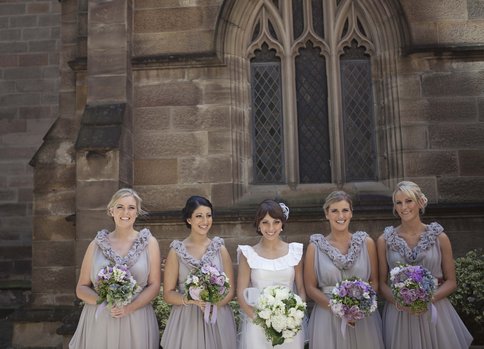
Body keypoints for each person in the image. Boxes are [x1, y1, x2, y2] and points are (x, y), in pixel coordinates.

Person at [377, 181, 473, 349]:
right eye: (398, 203)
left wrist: (427, 300)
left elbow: (451, 281)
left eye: (408, 201)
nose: (403, 207)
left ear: (420, 202)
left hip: (434, 310)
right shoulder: (384, 240)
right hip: (399, 314)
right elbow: (382, 283)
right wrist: (401, 303)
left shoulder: (439, 237)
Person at [69, 188, 161, 349]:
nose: (125, 212)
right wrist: (104, 303)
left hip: (136, 318)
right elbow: (81, 288)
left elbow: (154, 285)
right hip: (101, 319)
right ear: (111, 211)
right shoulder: (96, 244)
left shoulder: (149, 243)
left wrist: (128, 308)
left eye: (131, 207)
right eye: (120, 207)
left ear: (137, 212)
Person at [304, 191, 384, 349]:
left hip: (362, 318)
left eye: (345, 210)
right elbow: (310, 287)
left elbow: (374, 281)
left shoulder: (366, 243)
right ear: (327, 214)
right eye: (334, 211)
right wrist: (338, 309)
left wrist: (360, 307)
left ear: (351, 213)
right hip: (327, 317)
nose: (340, 216)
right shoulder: (315, 247)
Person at [161, 195, 237, 349]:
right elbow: (168, 294)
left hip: (217, 317)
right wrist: (191, 300)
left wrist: (213, 306)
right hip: (187, 319)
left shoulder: (220, 248)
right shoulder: (176, 251)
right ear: (189, 220)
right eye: (199, 216)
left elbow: (231, 290)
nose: (205, 221)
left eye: (208, 216)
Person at [237, 199, 306, 349]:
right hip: (257, 325)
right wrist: (261, 321)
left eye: (276, 222)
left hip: (289, 327)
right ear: (258, 224)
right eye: (265, 222)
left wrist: (294, 317)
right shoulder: (248, 254)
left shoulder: (295, 252)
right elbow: (241, 293)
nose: (271, 228)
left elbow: (301, 289)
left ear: (282, 224)